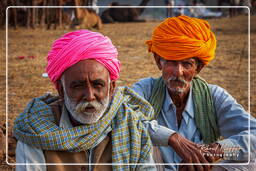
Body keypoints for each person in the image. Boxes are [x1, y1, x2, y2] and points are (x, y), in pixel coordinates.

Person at [13, 30, 157, 171]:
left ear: (112, 88)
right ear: (61, 90)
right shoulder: (35, 132)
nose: (89, 96)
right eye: (77, 86)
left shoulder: (130, 125)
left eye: (98, 85)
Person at [132, 15, 256, 170]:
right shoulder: (145, 90)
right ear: (159, 61)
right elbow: (125, 117)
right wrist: (171, 138)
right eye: (171, 62)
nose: (179, 72)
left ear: (198, 68)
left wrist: (215, 150)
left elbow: (254, 135)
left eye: (187, 64)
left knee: (251, 162)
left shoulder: (214, 97)